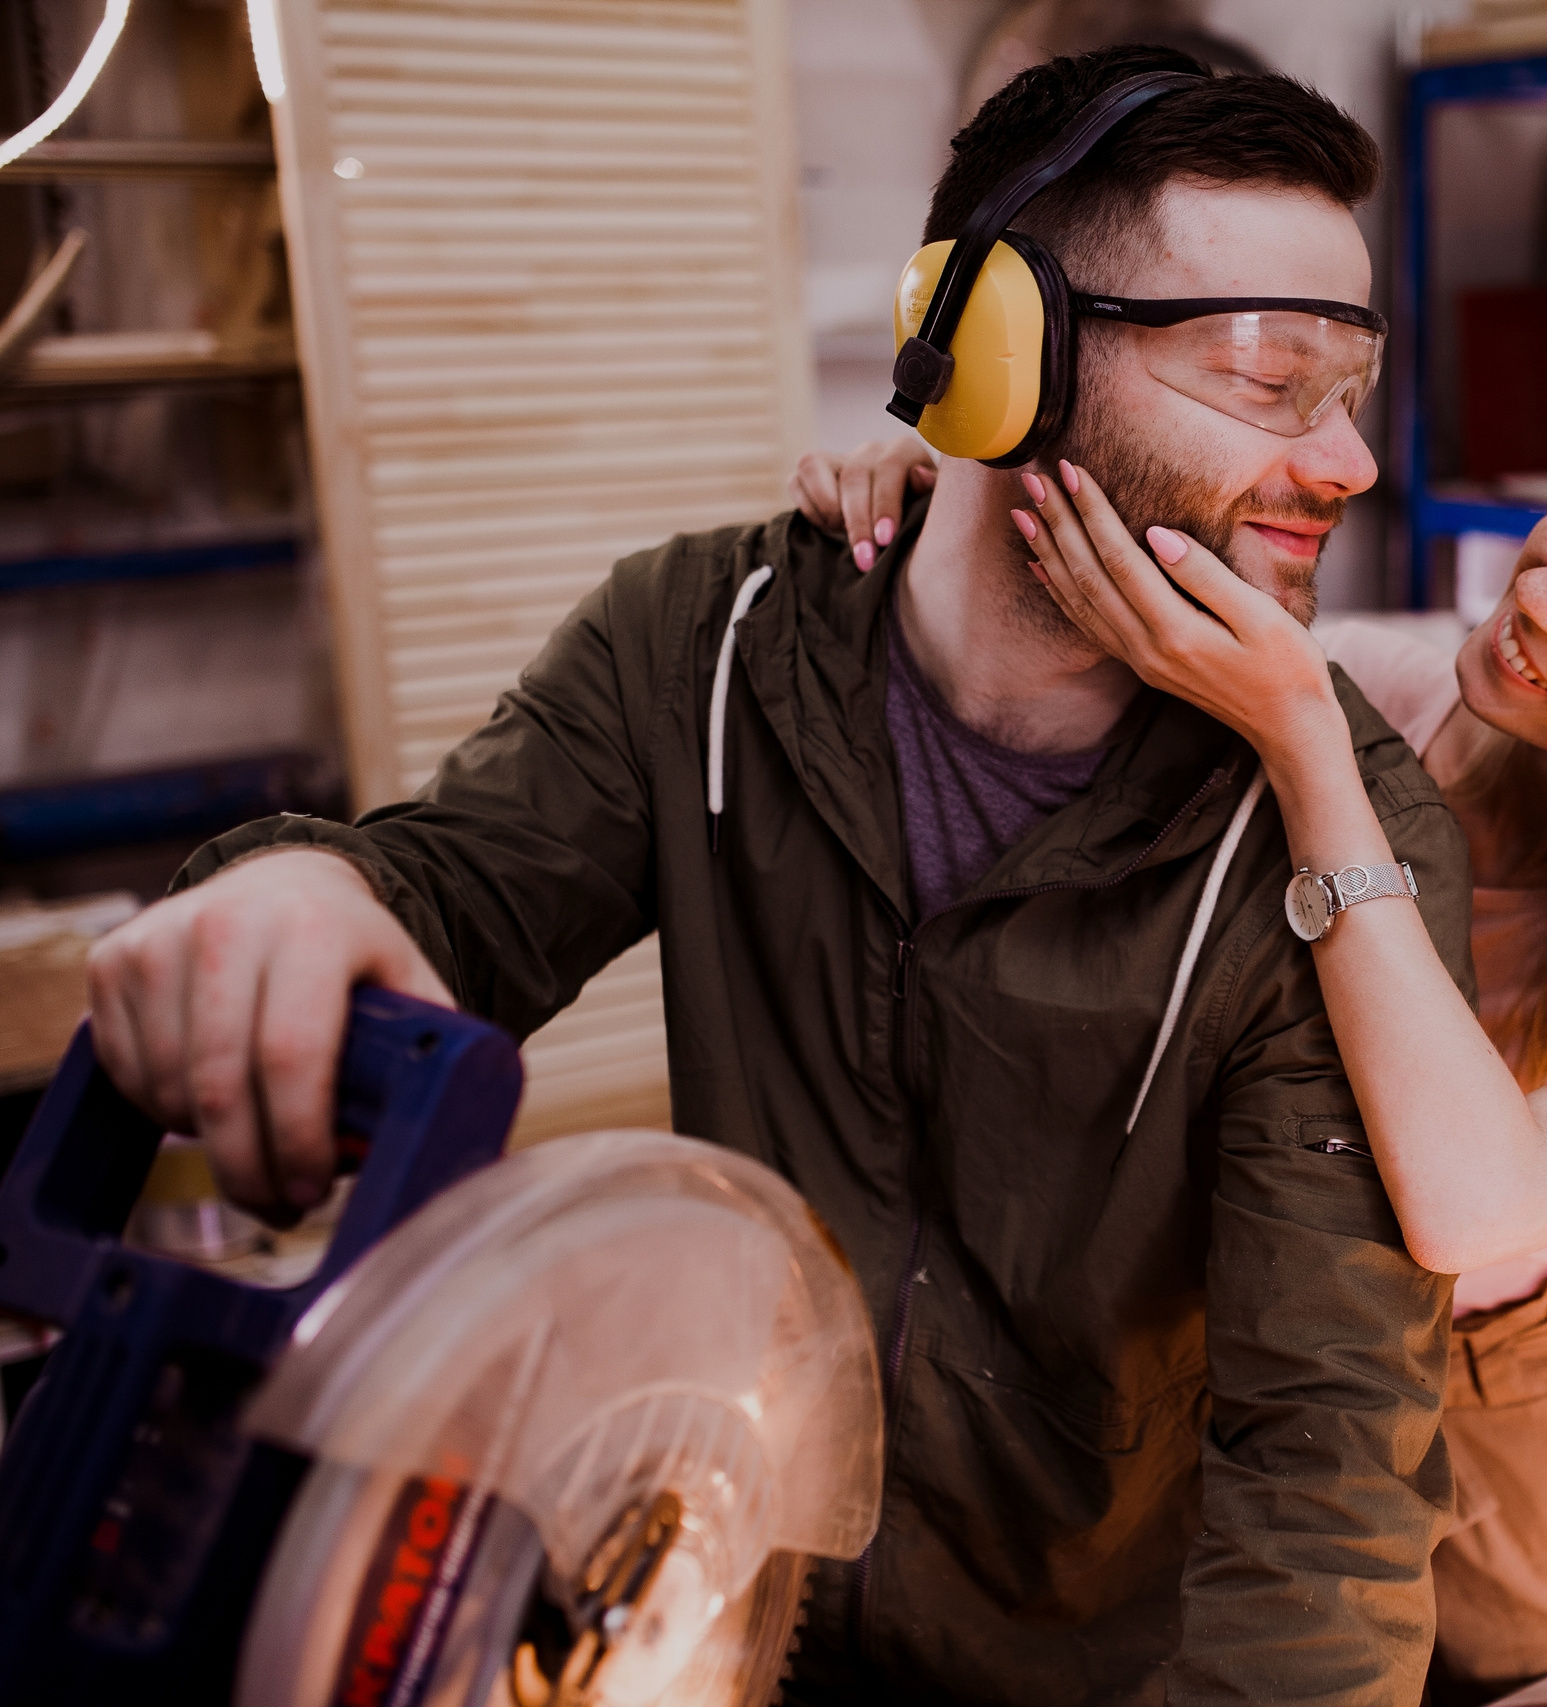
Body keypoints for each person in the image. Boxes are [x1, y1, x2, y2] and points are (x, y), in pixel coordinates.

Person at [84, 48, 1473, 1707]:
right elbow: (447, 900)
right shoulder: (706, 644)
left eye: (1351, 387)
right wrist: (303, 889)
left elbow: (1328, 1485)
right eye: (1270, 377)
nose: (1349, 466)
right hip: (716, 1613)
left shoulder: (1334, 849)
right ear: (992, 361)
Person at [799, 389, 1547, 1695]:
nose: (1546, 596)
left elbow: (1477, 1199)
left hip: (1514, 1420)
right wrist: (958, 509)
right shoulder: (1399, 679)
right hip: (1256, 1349)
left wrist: (1312, 754)